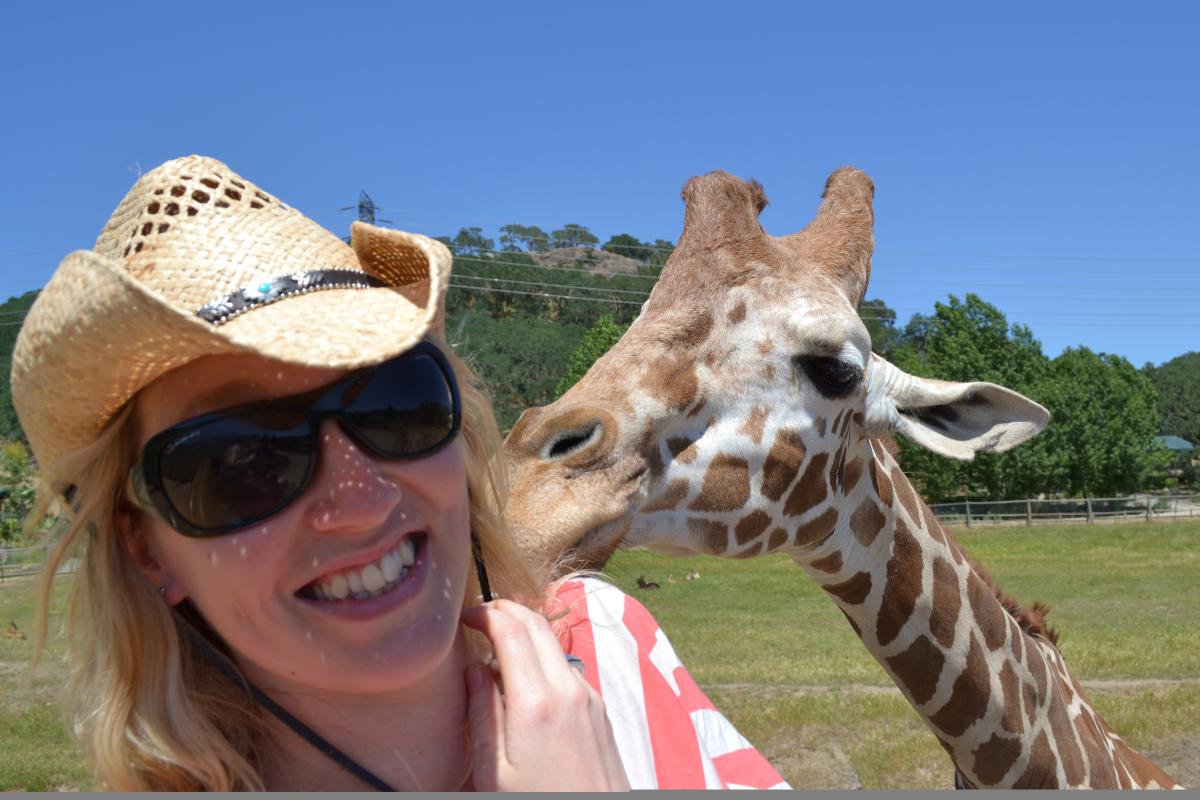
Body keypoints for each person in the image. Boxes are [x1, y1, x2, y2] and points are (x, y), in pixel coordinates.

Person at [13, 156, 787, 791]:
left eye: (394, 404)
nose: (363, 498)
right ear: (148, 552)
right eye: (242, 460)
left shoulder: (609, 644)